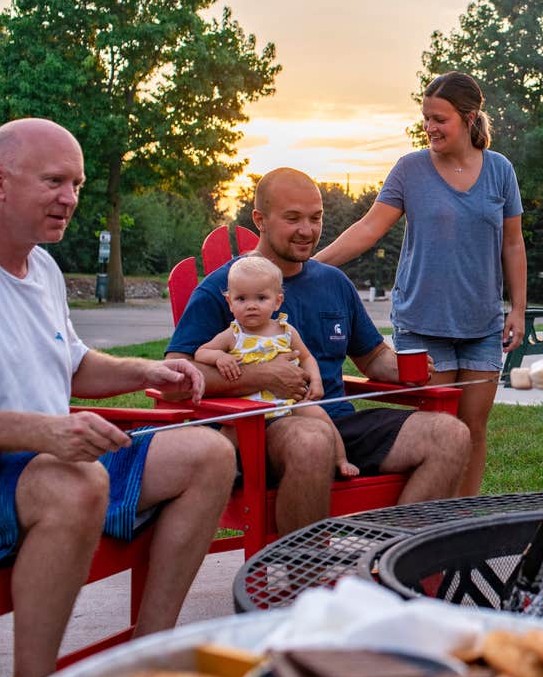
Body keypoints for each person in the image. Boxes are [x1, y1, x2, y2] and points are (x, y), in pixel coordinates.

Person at [0, 118, 236, 677]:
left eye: (76, 184)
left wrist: (149, 369)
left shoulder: (41, 265)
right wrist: (45, 434)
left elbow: (71, 363)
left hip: (48, 460)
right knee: (77, 482)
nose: (70, 198)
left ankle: (147, 658)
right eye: (54, 181)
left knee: (209, 453)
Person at [166, 167, 470, 533]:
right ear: (260, 220)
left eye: (316, 218)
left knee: (451, 435)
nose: (307, 230)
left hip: (335, 420)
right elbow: (175, 371)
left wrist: (410, 368)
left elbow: (372, 357)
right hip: (259, 427)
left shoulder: (333, 282)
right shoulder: (225, 289)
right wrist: (261, 376)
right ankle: (307, 583)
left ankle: (390, 568)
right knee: (313, 442)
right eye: (293, 218)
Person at [312, 72, 526, 496]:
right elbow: (369, 228)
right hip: (423, 324)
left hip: (481, 326)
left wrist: (517, 308)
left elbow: (513, 243)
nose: (429, 127)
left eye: (439, 119)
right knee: (439, 432)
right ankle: (426, 527)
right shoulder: (410, 170)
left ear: (468, 118)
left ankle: (460, 521)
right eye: (425, 118)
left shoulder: (499, 170)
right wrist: (312, 265)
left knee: (473, 429)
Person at [194, 254, 359, 478]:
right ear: (229, 303)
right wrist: (219, 358)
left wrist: (316, 381)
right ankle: (220, 470)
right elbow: (201, 352)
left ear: (277, 301)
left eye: (261, 298)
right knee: (227, 436)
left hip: (289, 401)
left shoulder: (286, 331)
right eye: (241, 299)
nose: (251, 306)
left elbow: (307, 358)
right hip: (248, 407)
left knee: (321, 417)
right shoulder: (233, 334)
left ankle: (341, 459)